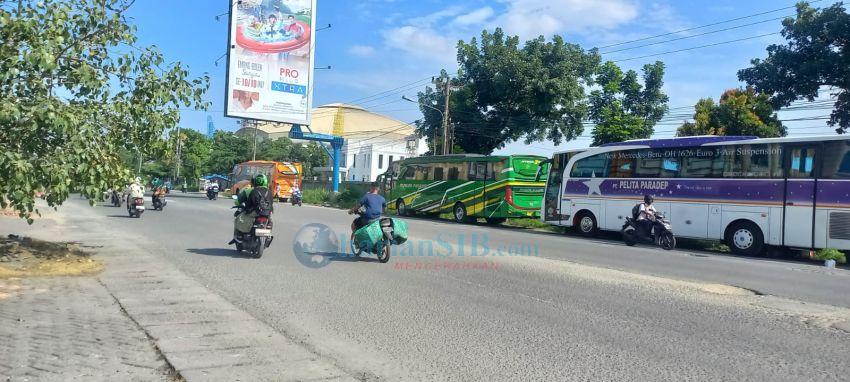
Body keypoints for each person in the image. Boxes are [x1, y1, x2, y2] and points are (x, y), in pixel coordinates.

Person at [231, 175, 274, 244]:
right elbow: (271, 203)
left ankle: (239, 236)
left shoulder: (251, 191)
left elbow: (245, 202)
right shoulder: (269, 192)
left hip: (255, 212)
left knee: (239, 219)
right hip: (267, 212)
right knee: (270, 221)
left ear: (253, 182)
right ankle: (268, 234)